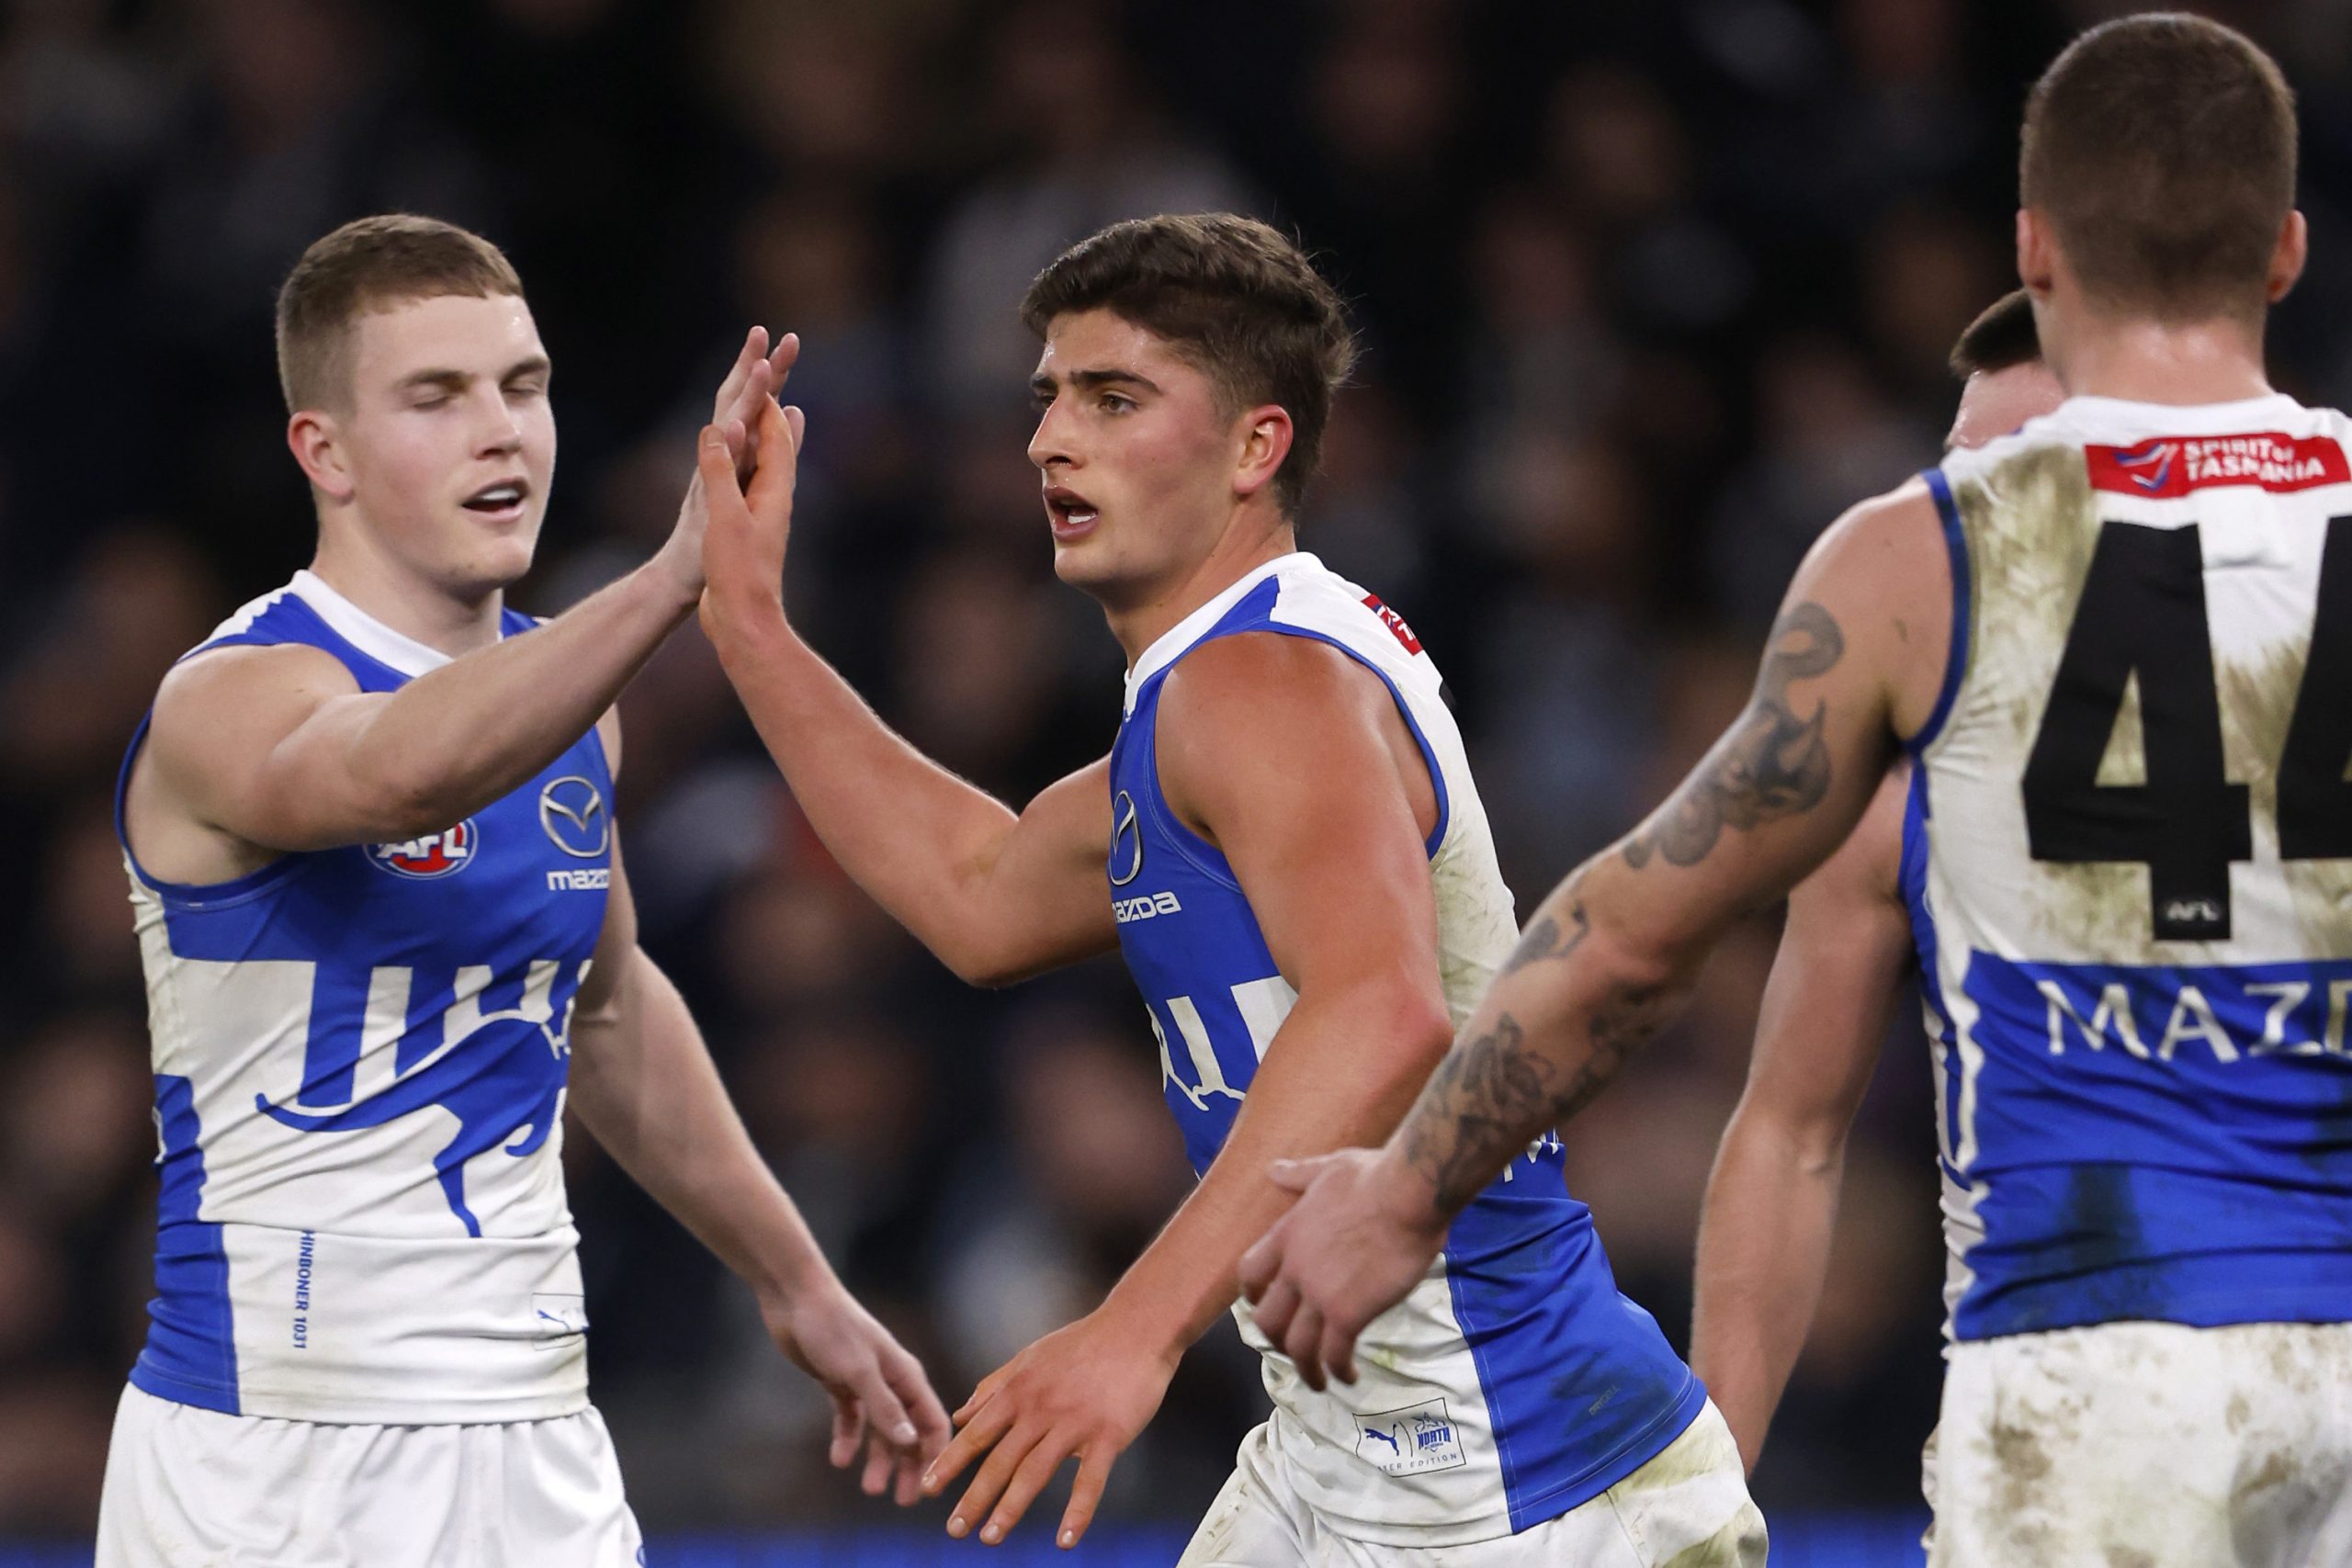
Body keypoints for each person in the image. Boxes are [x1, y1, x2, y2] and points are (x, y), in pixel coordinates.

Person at [1242, 17, 2352, 1565]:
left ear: (2033, 248)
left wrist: (1409, 1191)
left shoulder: (1922, 559)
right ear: (2286, 252)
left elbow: (1637, 936)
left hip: (2100, 1380)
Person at [696, 213, 1765, 1563]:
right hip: (1358, 1456)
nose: (1049, 441)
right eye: (1048, 400)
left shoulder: (1257, 684)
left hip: (1520, 1481)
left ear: (1258, 447)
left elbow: (1380, 1014)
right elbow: (980, 891)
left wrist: (1128, 1341)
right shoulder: (1215, 695)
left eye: (1114, 397)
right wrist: (747, 622)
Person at [97, 214, 948, 1568]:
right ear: (326, 453)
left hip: (536, 1439)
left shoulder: (573, 711)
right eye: (437, 398)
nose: (504, 432)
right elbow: (391, 775)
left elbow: (605, 1012)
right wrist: (672, 580)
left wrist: (798, 1284)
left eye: (524, 387)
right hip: (273, 1450)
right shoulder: (233, 692)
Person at [1683, 290, 2061, 1482]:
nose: (1960, 526)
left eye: (2016, 480)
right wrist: (1711, 1480)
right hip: (2053, 1406)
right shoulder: (1897, 800)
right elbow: (1790, 1128)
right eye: (1957, 480)